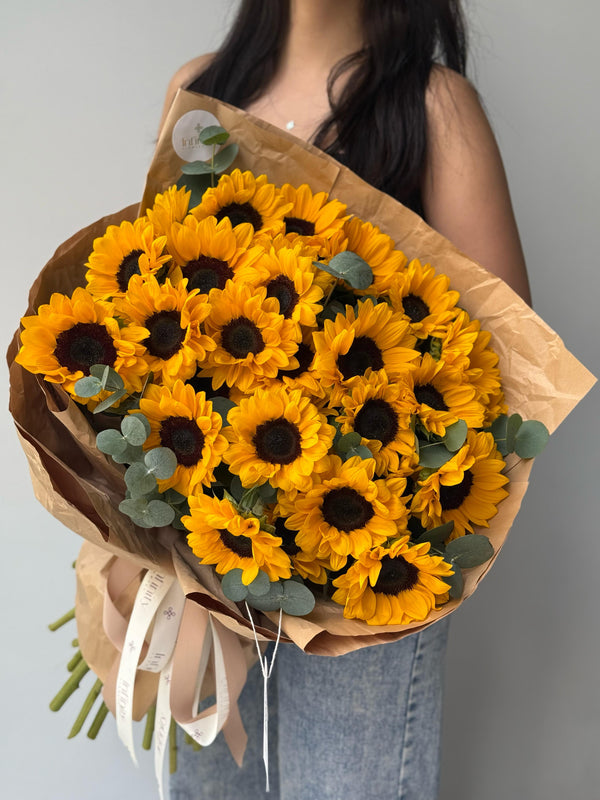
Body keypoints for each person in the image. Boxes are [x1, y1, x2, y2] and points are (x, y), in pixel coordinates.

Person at [159, 2, 531, 798]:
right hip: (204, 545)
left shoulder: (431, 105)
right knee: (203, 785)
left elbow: (503, 355)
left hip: (367, 566)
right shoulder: (198, 89)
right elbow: (147, 291)